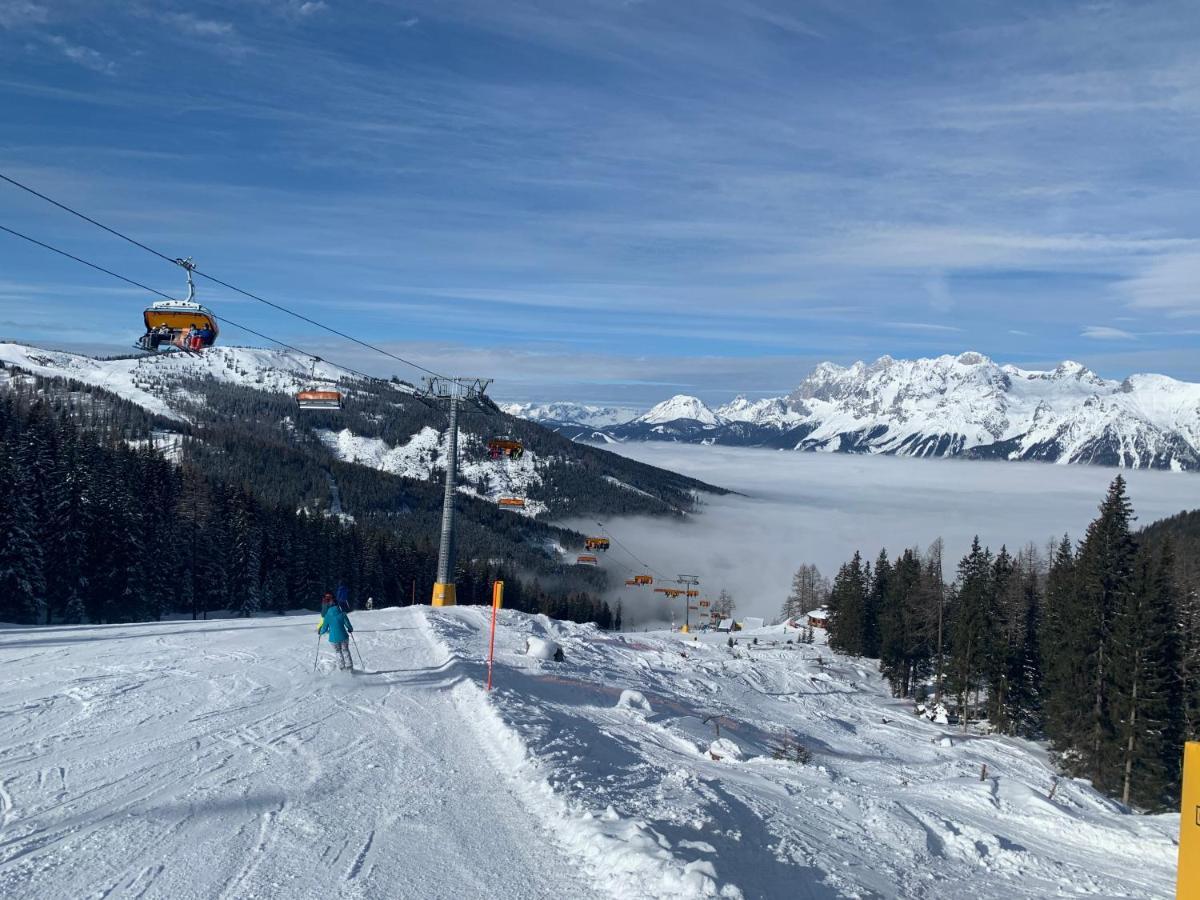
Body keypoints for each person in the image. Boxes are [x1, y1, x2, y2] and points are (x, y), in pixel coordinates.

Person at [318, 599, 354, 671]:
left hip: (333, 639)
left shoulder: (327, 616)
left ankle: (342, 668)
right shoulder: (342, 614)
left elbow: (324, 628)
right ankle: (349, 667)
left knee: (338, 652)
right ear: (337, 605)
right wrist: (350, 629)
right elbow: (348, 625)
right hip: (344, 637)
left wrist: (320, 632)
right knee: (345, 651)